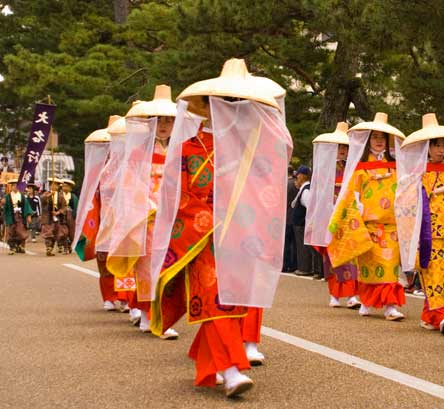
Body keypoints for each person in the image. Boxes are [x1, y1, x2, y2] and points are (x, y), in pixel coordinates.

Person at [149, 58, 292, 397]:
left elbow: (267, 188)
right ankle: (231, 368)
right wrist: (207, 222)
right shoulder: (185, 149)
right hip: (202, 236)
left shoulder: (252, 148)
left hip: (239, 236)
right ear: (208, 105)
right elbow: (176, 196)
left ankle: (208, 358)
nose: (229, 108)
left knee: (231, 301)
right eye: (223, 101)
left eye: (236, 102)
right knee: (215, 298)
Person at [105, 85, 180, 339]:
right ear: (151, 122)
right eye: (160, 120)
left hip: (172, 216)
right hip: (147, 215)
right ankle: (149, 316)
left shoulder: (178, 151)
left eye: (170, 120)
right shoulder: (138, 153)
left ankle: (161, 315)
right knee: (148, 267)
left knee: (169, 267)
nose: (164, 125)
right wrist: (149, 206)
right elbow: (130, 184)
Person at [327, 113, 406, 320]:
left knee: (390, 268)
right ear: (368, 140)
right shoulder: (360, 169)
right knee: (369, 269)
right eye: (375, 137)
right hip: (369, 226)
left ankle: (390, 306)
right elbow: (351, 197)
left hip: (391, 226)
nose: (379, 141)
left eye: (382, 137)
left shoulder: (397, 167)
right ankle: (368, 300)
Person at [396, 113, 444, 335]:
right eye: (436, 146)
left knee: (443, 276)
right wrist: (429, 192)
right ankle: (440, 316)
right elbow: (406, 201)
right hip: (427, 233)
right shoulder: (416, 175)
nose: (441, 150)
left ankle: (429, 315)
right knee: (432, 275)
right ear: (427, 148)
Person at [71, 117, 128, 312]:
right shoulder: (100, 170)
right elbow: (90, 196)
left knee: (125, 259)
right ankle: (109, 296)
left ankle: (126, 297)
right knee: (104, 260)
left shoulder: (129, 165)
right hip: (104, 219)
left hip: (124, 219)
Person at [305, 122, 360, 308]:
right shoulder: (324, 170)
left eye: (345, 147)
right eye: (339, 147)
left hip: (349, 217)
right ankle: (335, 294)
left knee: (351, 256)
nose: (342, 151)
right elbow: (318, 196)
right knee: (332, 258)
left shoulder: (352, 169)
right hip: (330, 218)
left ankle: (352, 294)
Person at [291, 165, 314, 276]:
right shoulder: (305, 188)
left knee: (303, 247)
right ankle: (303, 266)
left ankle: (304, 268)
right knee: (301, 246)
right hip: (300, 223)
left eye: (298, 175)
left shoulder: (306, 190)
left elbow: (309, 206)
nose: (297, 178)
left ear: (303, 176)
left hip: (302, 223)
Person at [3, 179, 34, 254]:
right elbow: (5, 208)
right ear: (11, 187)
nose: (15, 187)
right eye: (13, 185)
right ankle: (12, 248)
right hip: (11, 216)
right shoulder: (7, 196)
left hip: (20, 216)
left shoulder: (22, 196)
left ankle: (21, 246)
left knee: (21, 231)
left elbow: (26, 206)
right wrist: (2, 203)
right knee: (11, 232)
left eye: (17, 185)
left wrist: (28, 216)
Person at [40, 178, 69, 256]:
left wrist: (58, 212)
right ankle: (48, 248)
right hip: (48, 217)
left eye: (55, 185)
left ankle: (57, 247)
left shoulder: (61, 196)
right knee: (48, 232)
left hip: (58, 217)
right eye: (52, 185)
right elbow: (42, 200)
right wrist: (48, 196)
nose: (54, 187)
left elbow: (64, 207)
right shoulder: (46, 194)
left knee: (58, 233)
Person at [283, 166, 298, 272]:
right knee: (294, 243)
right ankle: (293, 265)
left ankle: (285, 264)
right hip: (295, 215)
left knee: (286, 243)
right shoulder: (296, 184)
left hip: (287, 215)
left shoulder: (286, 184)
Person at [60, 179, 78, 254]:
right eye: (64, 186)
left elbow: (76, 207)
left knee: (71, 233)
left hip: (71, 217)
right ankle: (65, 247)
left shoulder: (73, 197)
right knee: (63, 232)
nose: (65, 188)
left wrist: (75, 216)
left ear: (70, 188)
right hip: (61, 216)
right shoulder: (59, 195)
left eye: (67, 186)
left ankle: (70, 245)